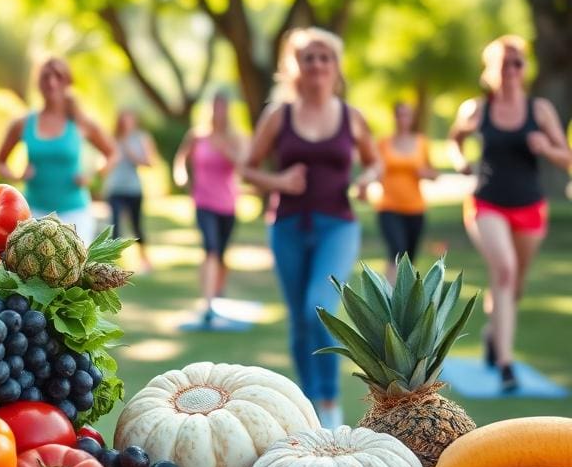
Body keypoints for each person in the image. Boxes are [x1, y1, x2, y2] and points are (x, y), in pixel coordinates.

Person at [242, 27, 378, 428]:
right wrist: (279, 182)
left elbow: (376, 161)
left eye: (324, 57)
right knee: (299, 320)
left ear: (335, 66)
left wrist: (368, 179)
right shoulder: (278, 115)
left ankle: (330, 404)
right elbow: (247, 168)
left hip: (337, 225)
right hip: (287, 226)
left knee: (318, 308)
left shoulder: (351, 116)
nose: (317, 64)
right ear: (295, 66)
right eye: (308, 58)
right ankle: (309, 405)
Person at [448, 35, 571, 391]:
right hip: (487, 202)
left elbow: (567, 158)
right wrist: (461, 163)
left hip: (530, 207)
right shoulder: (476, 109)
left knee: (513, 285)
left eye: (518, 62)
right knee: (503, 270)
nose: (512, 69)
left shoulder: (540, 110)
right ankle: (506, 365)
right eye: (505, 63)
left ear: (526, 68)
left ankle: (492, 335)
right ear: (491, 70)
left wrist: (547, 147)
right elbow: (456, 139)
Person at [0, 57, 114, 244]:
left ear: (67, 81)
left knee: (78, 272)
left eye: (58, 76)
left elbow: (112, 154)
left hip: (76, 214)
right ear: (38, 83)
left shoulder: (81, 122)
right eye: (46, 77)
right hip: (33, 213)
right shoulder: (23, 123)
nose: (52, 82)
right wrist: (17, 176)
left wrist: (94, 175)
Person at [172, 91, 245, 325]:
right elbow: (181, 158)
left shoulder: (235, 138)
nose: (218, 112)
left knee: (221, 254)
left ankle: (217, 292)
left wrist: (225, 149)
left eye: (222, 107)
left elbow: (244, 165)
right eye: (214, 107)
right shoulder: (197, 136)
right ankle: (208, 302)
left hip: (228, 203)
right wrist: (181, 175)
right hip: (203, 201)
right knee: (210, 249)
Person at [374, 102, 439, 283]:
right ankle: (389, 297)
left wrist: (425, 173)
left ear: (412, 118)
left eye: (407, 115)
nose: (403, 119)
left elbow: (434, 173)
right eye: (400, 115)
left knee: (409, 259)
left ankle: (404, 297)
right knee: (397, 251)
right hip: (388, 207)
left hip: (415, 208)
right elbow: (374, 170)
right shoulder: (383, 144)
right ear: (395, 117)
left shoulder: (421, 143)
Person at [103, 109, 156, 272]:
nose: (126, 123)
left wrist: (128, 150)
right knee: (115, 227)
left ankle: (145, 261)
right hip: (115, 188)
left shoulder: (142, 138)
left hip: (133, 189)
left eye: (129, 119)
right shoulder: (111, 138)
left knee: (136, 226)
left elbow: (149, 161)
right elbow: (105, 162)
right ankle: (112, 264)